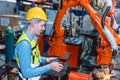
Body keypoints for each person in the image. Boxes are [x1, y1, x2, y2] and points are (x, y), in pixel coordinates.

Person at [15, 7, 63, 80]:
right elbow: (26, 73)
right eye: (42, 25)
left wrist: (45, 59)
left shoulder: (32, 38)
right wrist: (49, 66)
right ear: (34, 24)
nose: (44, 28)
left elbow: (32, 57)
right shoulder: (25, 45)